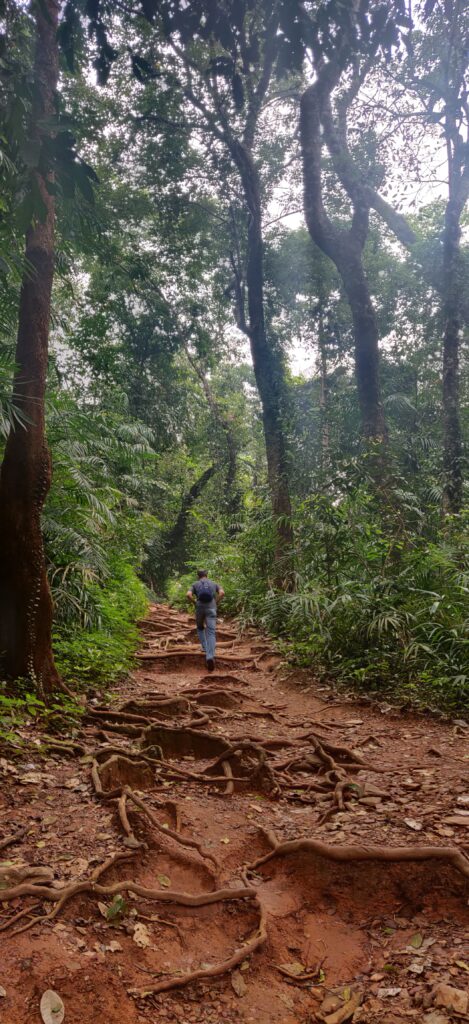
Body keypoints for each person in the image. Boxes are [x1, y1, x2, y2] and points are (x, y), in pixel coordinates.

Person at [186, 570, 224, 672]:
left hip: (199, 608)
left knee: (200, 627)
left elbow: (188, 595)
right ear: (207, 575)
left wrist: (195, 602)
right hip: (211, 608)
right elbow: (222, 593)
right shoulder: (214, 583)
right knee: (211, 632)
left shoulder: (195, 584)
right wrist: (215, 602)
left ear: (198, 576)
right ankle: (210, 656)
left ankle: (204, 647)